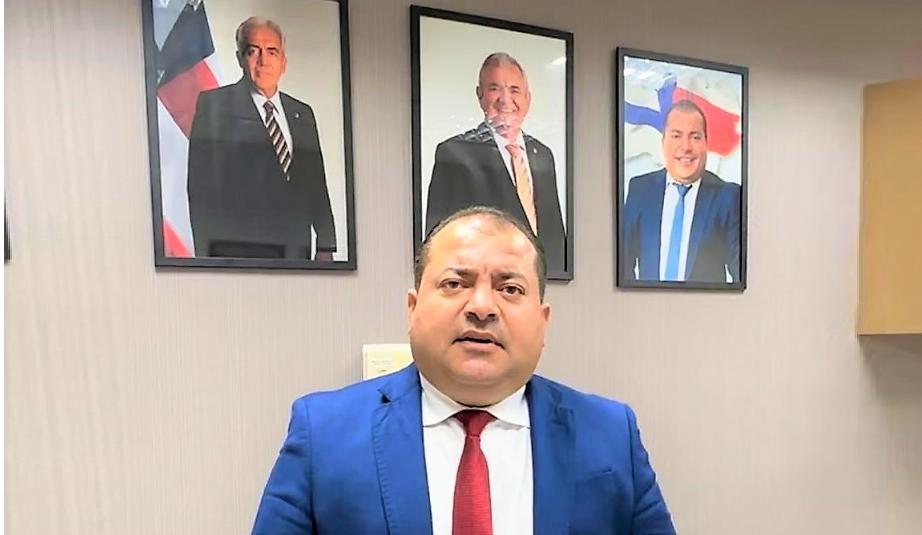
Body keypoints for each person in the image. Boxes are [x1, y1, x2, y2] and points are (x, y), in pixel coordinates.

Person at [251, 206, 675, 534]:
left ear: (543, 321)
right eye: (455, 284)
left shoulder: (611, 434)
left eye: (510, 288)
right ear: (413, 309)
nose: (482, 306)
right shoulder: (324, 433)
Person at [187, 17, 336, 260]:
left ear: (283, 61)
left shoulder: (302, 113)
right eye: (253, 51)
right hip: (239, 254)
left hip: (295, 252)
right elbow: (200, 189)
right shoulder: (214, 106)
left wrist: (326, 245)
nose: (263, 61)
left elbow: (316, 183)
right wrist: (207, 258)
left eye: (272, 51)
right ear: (239, 58)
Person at [425, 53, 567, 276]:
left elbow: (555, 233)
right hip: (486, 282)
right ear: (480, 95)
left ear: (528, 98)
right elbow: (438, 241)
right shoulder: (455, 153)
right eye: (494, 88)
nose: (505, 99)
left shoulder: (543, 155)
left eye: (514, 90)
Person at [621, 99, 741, 283]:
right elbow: (622, 265)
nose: (686, 147)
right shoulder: (640, 190)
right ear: (663, 142)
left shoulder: (728, 196)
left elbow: (741, 274)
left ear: (706, 143)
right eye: (676, 136)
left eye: (695, 137)